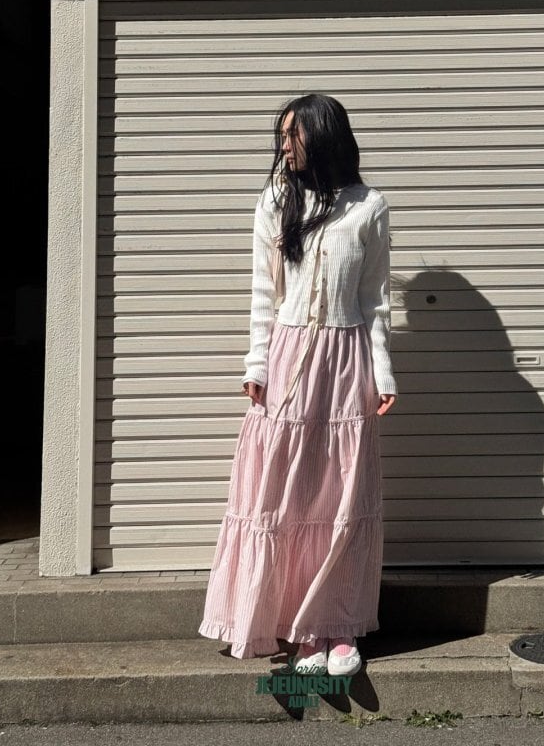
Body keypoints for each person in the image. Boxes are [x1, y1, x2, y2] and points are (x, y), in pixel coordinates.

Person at [197, 92, 397, 677]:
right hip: (289, 361)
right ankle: (303, 630)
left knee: (340, 499)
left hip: (346, 363)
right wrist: (256, 365)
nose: (284, 146)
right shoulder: (275, 201)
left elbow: (375, 301)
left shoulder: (369, 207)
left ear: (323, 136)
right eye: (281, 136)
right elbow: (265, 295)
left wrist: (384, 373)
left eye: (293, 135)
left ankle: (338, 628)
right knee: (287, 498)